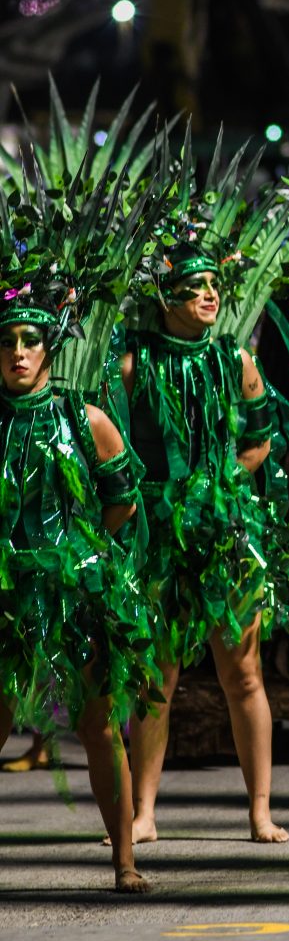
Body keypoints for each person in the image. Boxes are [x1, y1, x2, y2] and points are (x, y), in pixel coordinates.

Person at [122, 245, 287, 845]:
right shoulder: (133, 365)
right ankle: (142, 812)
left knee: (242, 673)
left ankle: (260, 811)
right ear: (165, 298)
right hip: (159, 536)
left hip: (224, 533)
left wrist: (218, 492)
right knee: (156, 675)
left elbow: (259, 441)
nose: (210, 295)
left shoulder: (235, 360)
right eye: (195, 286)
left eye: (215, 284)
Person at [0, 298, 152, 892]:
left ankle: (124, 860)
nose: (17, 352)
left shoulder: (83, 420)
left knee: (100, 727)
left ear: (50, 348)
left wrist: (79, 558)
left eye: (30, 339)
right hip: (7, 598)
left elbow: (124, 499)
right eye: (6, 340)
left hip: (77, 596)